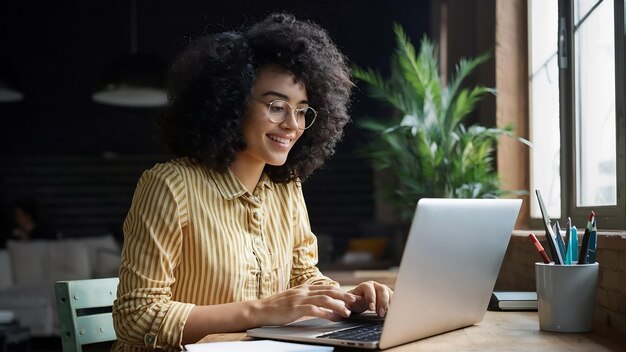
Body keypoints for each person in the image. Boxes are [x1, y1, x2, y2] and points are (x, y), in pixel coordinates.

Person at [112, 13, 393, 351]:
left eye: (302, 110)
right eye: (277, 106)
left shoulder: (286, 188)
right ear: (231, 102)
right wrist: (263, 310)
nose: (292, 124)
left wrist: (347, 301)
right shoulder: (171, 186)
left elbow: (303, 279)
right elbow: (136, 316)